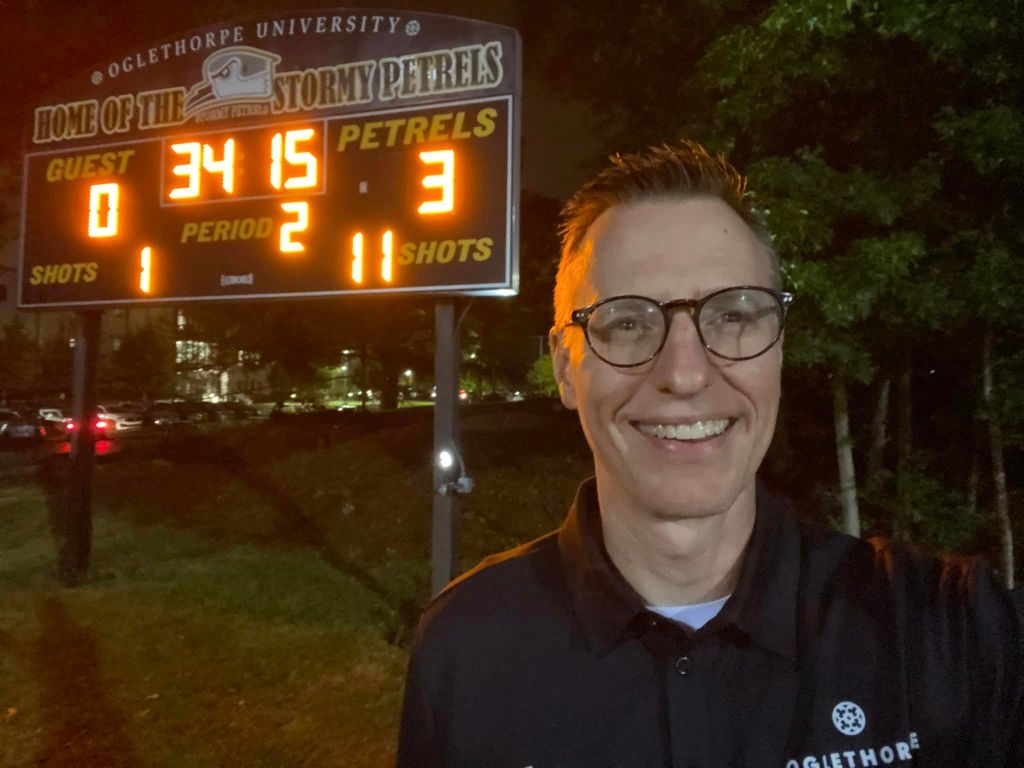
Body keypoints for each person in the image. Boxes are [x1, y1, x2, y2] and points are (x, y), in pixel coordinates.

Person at [396, 141, 1023, 767]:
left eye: (733, 315)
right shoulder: (464, 649)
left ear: (778, 349)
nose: (685, 373)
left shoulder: (951, 632)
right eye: (628, 322)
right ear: (565, 368)